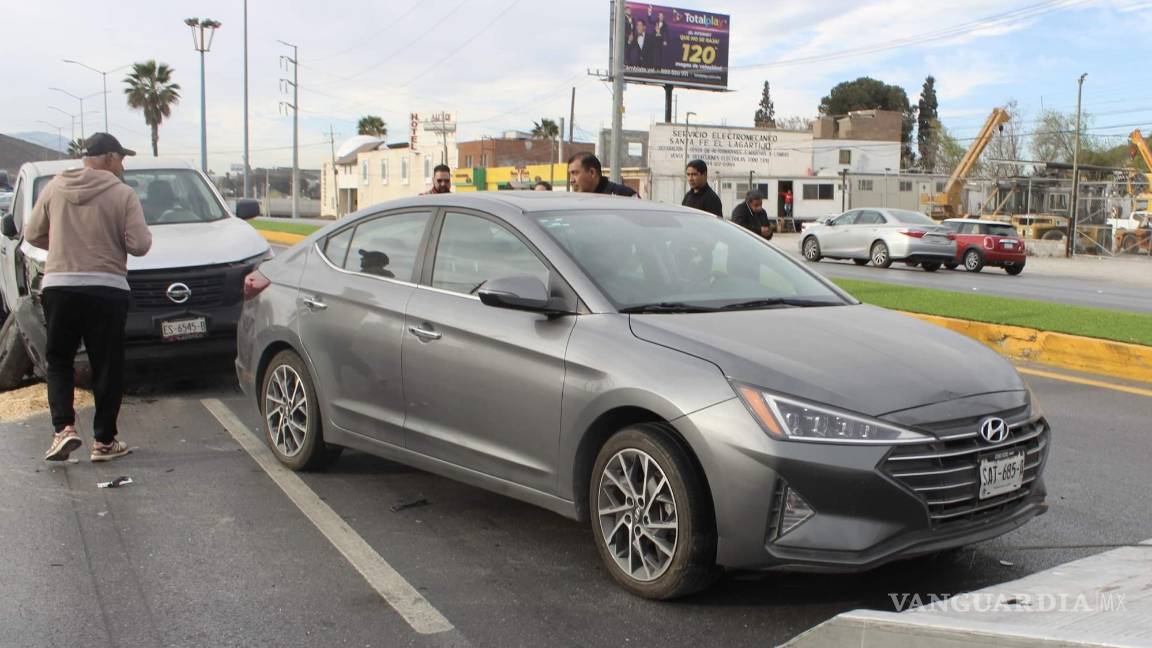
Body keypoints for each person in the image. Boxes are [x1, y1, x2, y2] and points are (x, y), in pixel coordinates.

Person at [25, 133, 152, 462]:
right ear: (109, 157)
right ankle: (104, 442)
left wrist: (64, 246)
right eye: (121, 159)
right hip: (106, 288)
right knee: (107, 364)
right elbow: (139, 244)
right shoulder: (123, 194)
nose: (123, 166)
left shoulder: (54, 187)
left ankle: (63, 430)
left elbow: (32, 233)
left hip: (60, 284)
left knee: (60, 360)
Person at [567, 153, 638, 197]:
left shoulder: (624, 196)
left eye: (575, 173)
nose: (571, 180)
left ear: (592, 173)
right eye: (570, 174)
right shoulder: (574, 202)